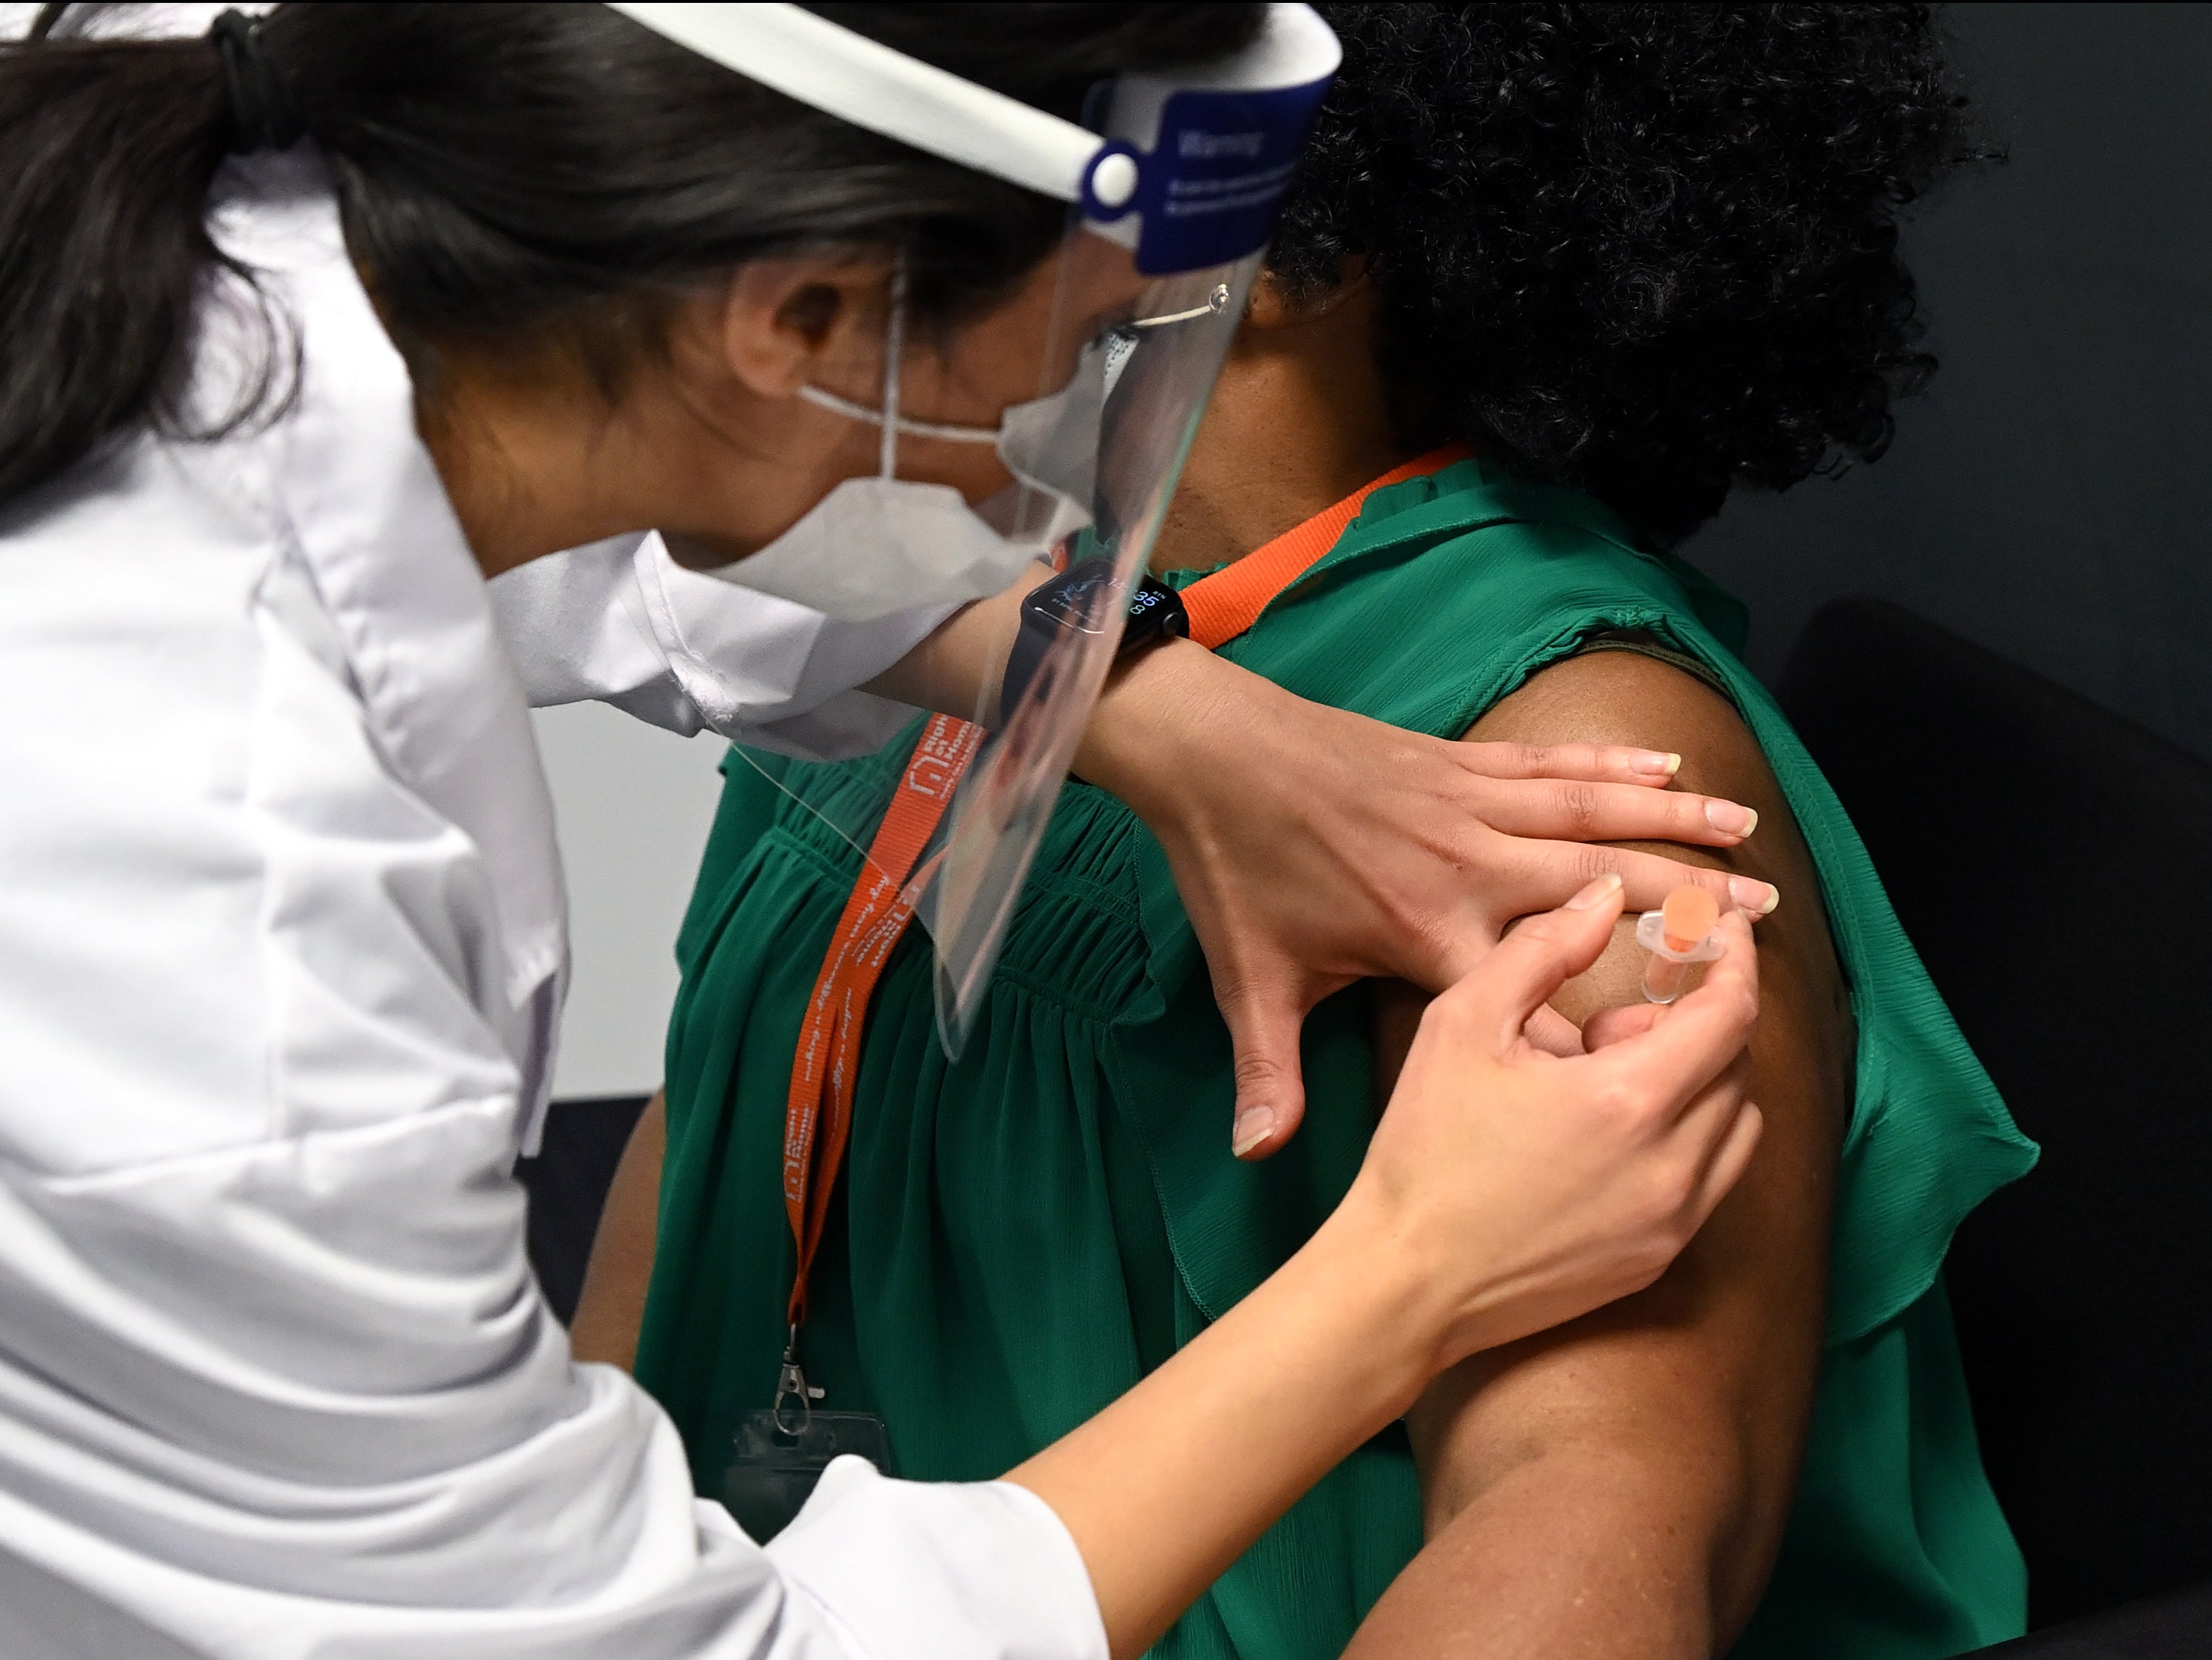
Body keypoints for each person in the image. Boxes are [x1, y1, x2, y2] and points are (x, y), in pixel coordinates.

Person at [0, 5, 1775, 1659]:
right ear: (796, 318)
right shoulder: (226, 914)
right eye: (1079, 347)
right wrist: (1412, 1269)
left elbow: (1594, 1506)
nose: (1044, 482)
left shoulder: (280, 216)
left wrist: (1142, 705)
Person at [578, 5, 2038, 1658]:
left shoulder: (1573, 773)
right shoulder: (917, 604)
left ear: (1270, 216)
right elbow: (709, 1135)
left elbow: (1596, 1523)